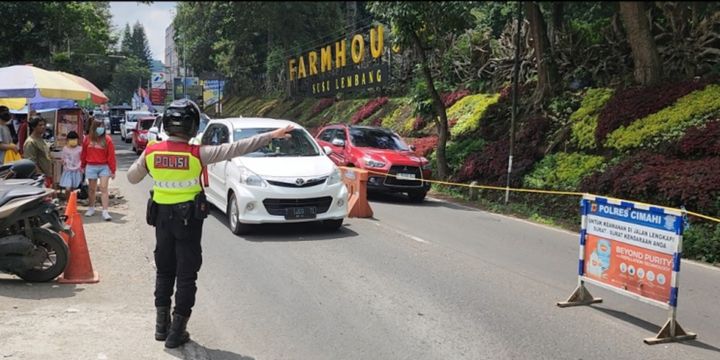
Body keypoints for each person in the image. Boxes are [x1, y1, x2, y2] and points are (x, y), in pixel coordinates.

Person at [127, 99, 293, 349]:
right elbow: (237, 148)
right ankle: (176, 332)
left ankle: (160, 328)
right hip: (188, 223)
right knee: (186, 275)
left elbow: (131, 178)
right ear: (193, 126)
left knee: (164, 271)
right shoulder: (198, 153)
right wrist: (272, 135)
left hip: (161, 221)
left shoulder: (151, 151)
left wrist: (155, 167)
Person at [81, 117, 116, 221]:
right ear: (94, 127)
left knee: (104, 188)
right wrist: (82, 166)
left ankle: (105, 211)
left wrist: (113, 170)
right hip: (91, 166)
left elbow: (111, 156)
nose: (101, 128)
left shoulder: (107, 140)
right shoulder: (87, 139)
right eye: (98, 126)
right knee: (92, 189)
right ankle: (91, 208)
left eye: (102, 126)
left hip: (104, 166)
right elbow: (84, 154)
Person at [22, 116, 53, 186]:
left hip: (47, 174)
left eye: (44, 125)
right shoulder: (30, 142)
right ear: (33, 127)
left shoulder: (41, 139)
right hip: (38, 178)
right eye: (40, 125)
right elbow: (31, 162)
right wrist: (41, 176)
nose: (43, 127)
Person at [59, 131, 83, 198]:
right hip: (67, 171)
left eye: (75, 139)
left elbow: (82, 159)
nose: (73, 141)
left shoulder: (80, 149)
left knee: (74, 189)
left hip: (76, 171)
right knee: (68, 188)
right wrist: (63, 162)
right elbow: (62, 159)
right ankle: (68, 202)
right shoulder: (65, 149)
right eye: (71, 139)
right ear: (67, 140)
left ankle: (72, 203)